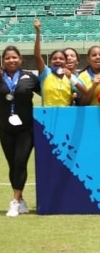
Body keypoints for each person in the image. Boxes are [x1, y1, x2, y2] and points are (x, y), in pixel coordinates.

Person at [0, 46, 40, 217]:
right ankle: (21, 199)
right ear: (3, 61)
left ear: (20, 59)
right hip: (5, 129)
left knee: (20, 161)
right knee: (12, 165)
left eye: (14, 57)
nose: (11, 60)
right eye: (8, 58)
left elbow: (47, 91)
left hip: (26, 129)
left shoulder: (30, 77)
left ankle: (15, 201)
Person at [33, 20, 79, 107]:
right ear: (50, 62)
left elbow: (75, 95)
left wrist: (73, 97)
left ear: (66, 62)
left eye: (61, 59)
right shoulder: (45, 73)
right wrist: (38, 32)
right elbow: (37, 56)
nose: (58, 60)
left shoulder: (70, 76)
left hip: (65, 115)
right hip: (47, 115)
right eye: (54, 58)